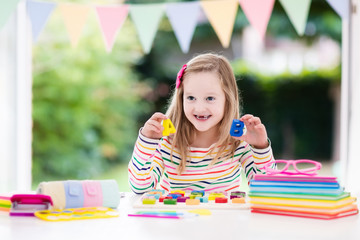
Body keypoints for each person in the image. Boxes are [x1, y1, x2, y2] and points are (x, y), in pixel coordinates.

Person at [128, 53, 275, 194]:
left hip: (224, 220)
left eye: (210, 98)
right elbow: (140, 187)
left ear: (228, 99)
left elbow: (267, 191)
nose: (199, 108)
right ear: (181, 98)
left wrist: (260, 148)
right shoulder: (167, 140)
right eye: (191, 97)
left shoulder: (239, 141)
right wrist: (147, 143)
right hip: (177, 219)